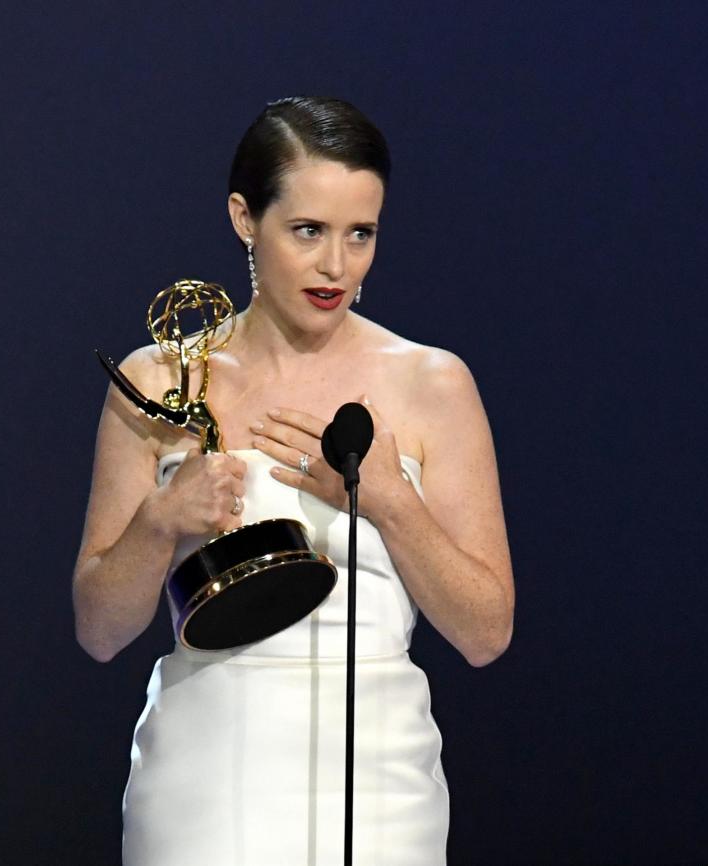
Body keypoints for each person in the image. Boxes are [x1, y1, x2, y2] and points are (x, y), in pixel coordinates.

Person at [72, 96, 514, 865]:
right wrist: (159, 520)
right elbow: (100, 631)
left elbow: (485, 633)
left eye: (360, 234)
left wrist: (389, 501)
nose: (336, 266)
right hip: (205, 774)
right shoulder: (161, 382)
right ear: (245, 219)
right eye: (307, 231)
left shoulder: (432, 384)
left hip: (378, 782)